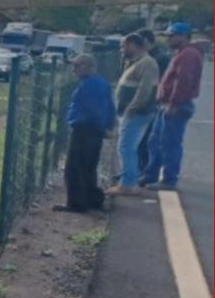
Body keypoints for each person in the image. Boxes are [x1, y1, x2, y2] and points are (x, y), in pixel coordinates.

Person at [143, 22, 203, 191]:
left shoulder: (188, 55)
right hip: (168, 103)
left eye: (171, 36)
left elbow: (183, 80)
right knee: (155, 141)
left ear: (183, 36)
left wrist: (174, 102)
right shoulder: (182, 53)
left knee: (169, 144)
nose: (168, 39)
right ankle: (151, 174)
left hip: (176, 104)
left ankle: (169, 180)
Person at [57, 53, 114, 212]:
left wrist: (99, 125)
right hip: (94, 129)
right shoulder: (101, 82)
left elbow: (93, 109)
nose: (74, 70)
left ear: (87, 67)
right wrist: (107, 125)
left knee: (75, 167)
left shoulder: (89, 85)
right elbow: (110, 106)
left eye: (77, 66)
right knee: (89, 165)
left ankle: (77, 203)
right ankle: (91, 198)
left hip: (85, 128)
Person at [108, 33, 158, 194]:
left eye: (124, 46)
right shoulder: (134, 63)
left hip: (137, 113)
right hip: (132, 112)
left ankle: (128, 184)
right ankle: (129, 179)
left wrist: (132, 108)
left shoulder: (147, 63)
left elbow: (145, 90)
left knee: (126, 147)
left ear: (134, 45)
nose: (122, 49)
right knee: (128, 146)